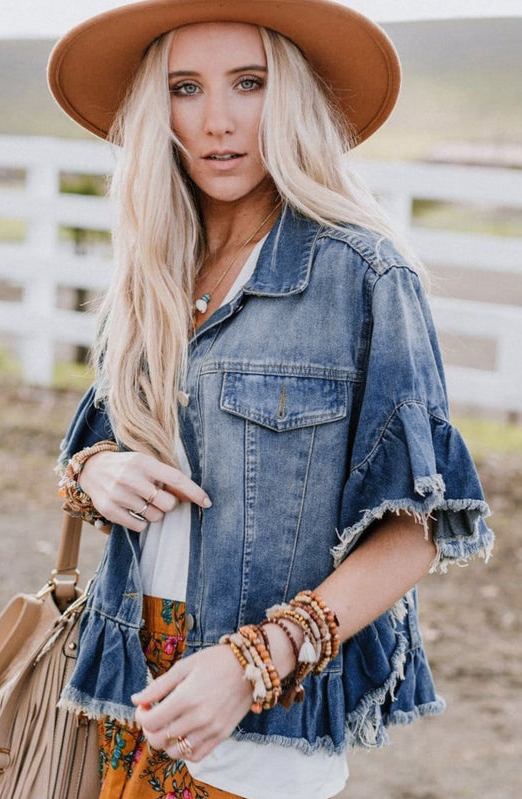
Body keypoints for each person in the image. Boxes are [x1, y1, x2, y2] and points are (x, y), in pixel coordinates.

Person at [49, 2, 494, 797]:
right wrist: (99, 472)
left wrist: (252, 661)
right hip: (118, 701)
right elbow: (97, 444)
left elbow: (417, 528)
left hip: (256, 728)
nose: (215, 119)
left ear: (290, 96)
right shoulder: (155, 267)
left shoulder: (362, 273)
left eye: (247, 83)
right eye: (185, 87)